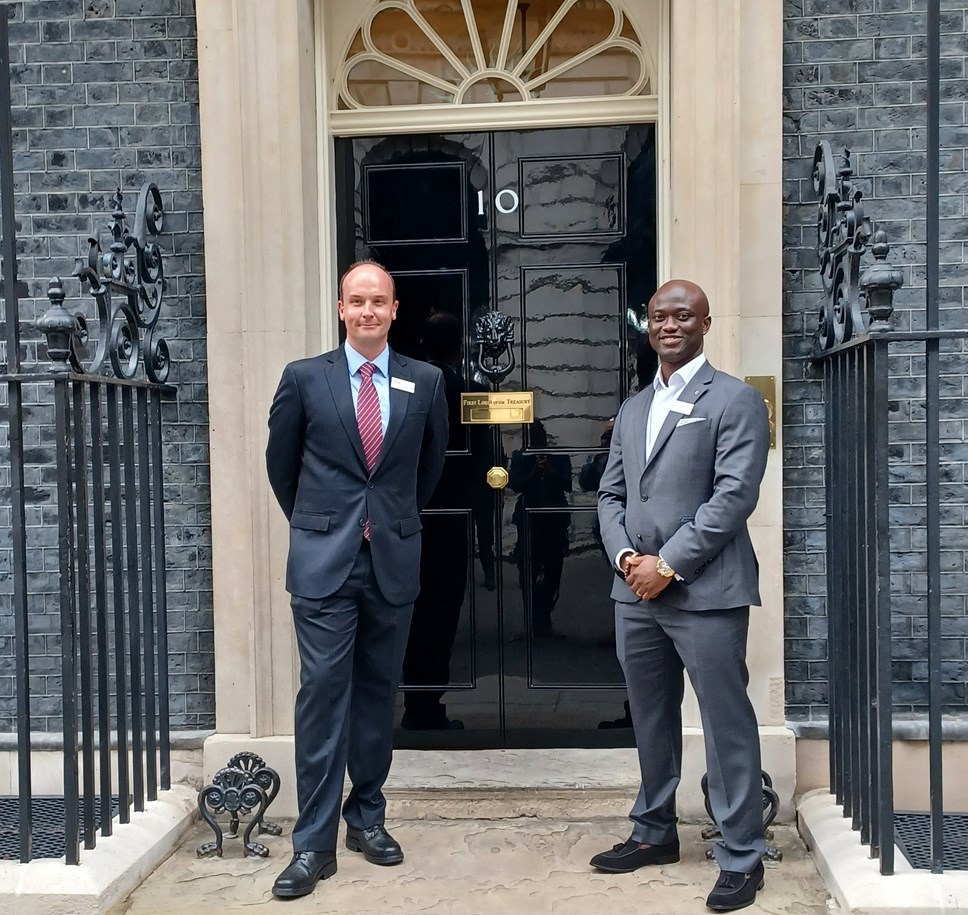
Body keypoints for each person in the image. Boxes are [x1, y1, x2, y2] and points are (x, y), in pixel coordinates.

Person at [265, 260, 448, 899]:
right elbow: (281, 467)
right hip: (323, 563)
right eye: (357, 301)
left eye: (380, 302)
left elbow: (426, 471)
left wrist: (386, 522)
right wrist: (322, 526)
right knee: (322, 694)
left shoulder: (424, 381)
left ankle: (366, 818)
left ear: (396, 310)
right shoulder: (303, 379)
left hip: (390, 560)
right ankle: (311, 845)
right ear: (341, 308)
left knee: (376, 694)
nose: (368, 311)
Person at [592, 279, 770, 912]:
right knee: (650, 716)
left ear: (705, 323)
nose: (670, 325)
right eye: (660, 316)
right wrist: (625, 559)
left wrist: (667, 564)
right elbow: (610, 494)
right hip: (632, 590)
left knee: (725, 722)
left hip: (706, 591)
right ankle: (653, 832)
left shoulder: (736, 401)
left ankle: (742, 852)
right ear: (648, 324)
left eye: (683, 315)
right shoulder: (636, 406)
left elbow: (733, 498)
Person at [400, 311, 471, 731]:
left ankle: (418, 702)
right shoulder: (463, 388)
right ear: (460, 346)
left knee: (415, 612)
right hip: (450, 517)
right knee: (440, 612)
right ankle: (427, 706)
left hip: (415, 515)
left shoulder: (407, 387)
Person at [508, 419, 572, 639]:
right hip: (530, 522)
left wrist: (550, 469)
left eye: (540, 436)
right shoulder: (521, 457)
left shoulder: (559, 457)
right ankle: (532, 623)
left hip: (554, 522)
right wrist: (534, 471)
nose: (537, 441)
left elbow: (567, 484)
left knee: (554, 572)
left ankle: (544, 619)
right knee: (528, 573)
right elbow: (514, 484)